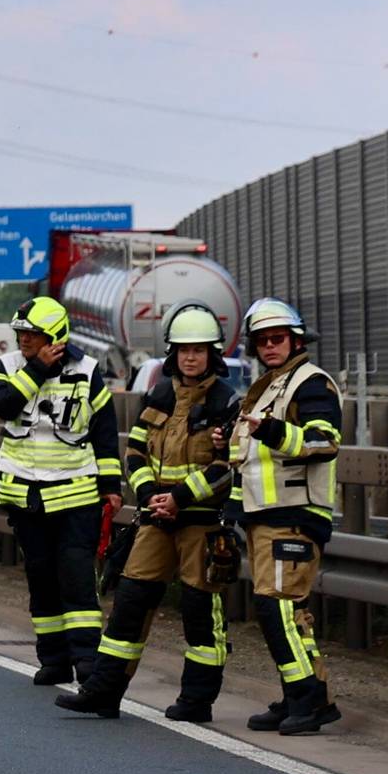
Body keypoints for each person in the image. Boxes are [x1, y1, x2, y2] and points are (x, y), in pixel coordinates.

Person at [61, 303, 239, 720]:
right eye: (183, 350)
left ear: (212, 354)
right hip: (156, 519)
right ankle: (103, 692)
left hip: (201, 523)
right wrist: (148, 495)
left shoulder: (226, 403)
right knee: (130, 601)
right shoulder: (160, 395)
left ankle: (196, 702)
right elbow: (135, 452)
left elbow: (227, 467)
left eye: (198, 350)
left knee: (200, 611)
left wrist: (179, 498)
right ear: (173, 353)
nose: (190, 358)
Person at [0, 296, 122, 687]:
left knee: (77, 577)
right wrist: (37, 368)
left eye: (33, 334)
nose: (24, 340)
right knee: (41, 577)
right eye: (21, 333)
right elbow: (4, 406)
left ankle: (87, 661)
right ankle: (54, 660)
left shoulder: (88, 371)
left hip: (76, 495)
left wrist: (111, 487)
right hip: (26, 496)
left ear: (56, 336)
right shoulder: (5, 368)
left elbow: (104, 431)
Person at [228, 298, 346, 735]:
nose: (269, 346)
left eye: (277, 338)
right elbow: (247, 460)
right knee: (291, 612)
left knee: (274, 605)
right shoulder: (268, 387)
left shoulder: (310, 383)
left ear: (296, 340)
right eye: (262, 341)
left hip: (294, 514)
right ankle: (311, 696)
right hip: (265, 515)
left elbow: (323, 442)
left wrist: (272, 430)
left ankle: (305, 700)